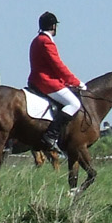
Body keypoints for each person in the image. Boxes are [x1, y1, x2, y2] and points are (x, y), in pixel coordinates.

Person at [28, 11, 84, 150]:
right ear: (53, 26)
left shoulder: (36, 40)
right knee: (74, 104)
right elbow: (57, 65)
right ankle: (51, 135)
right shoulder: (46, 41)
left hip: (37, 80)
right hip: (46, 82)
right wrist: (76, 82)